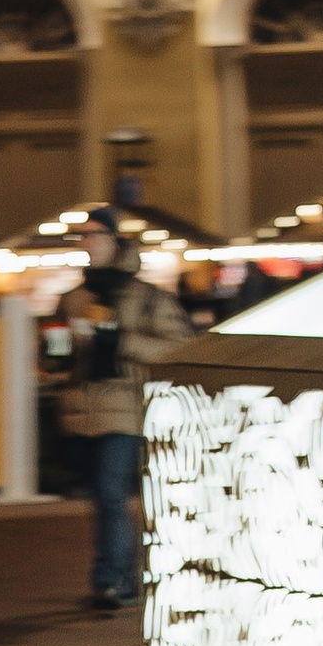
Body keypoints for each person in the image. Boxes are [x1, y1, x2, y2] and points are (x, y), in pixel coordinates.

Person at [59, 218, 193, 612]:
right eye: (81, 236)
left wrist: (120, 340)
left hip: (127, 409)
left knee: (110, 494)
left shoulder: (148, 298)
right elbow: (67, 355)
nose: (85, 243)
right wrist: (57, 352)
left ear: (113, 240)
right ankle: (125, 578)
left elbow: (178, 348)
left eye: (92, 235)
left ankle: (111, 581)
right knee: (104, 499)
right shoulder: (75, 298)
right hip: (84, 411)